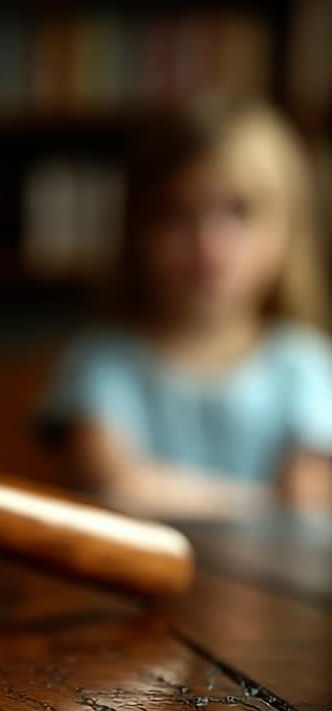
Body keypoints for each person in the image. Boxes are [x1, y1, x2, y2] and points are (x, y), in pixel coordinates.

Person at [39, 99, 332, 519]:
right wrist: (266, 502)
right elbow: (110, 481)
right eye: (178, 214)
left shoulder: (305, 364)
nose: (208, 243)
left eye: (239, 211)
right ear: (137, 230)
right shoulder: (100, 360)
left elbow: (309, 497)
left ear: (288, 231)